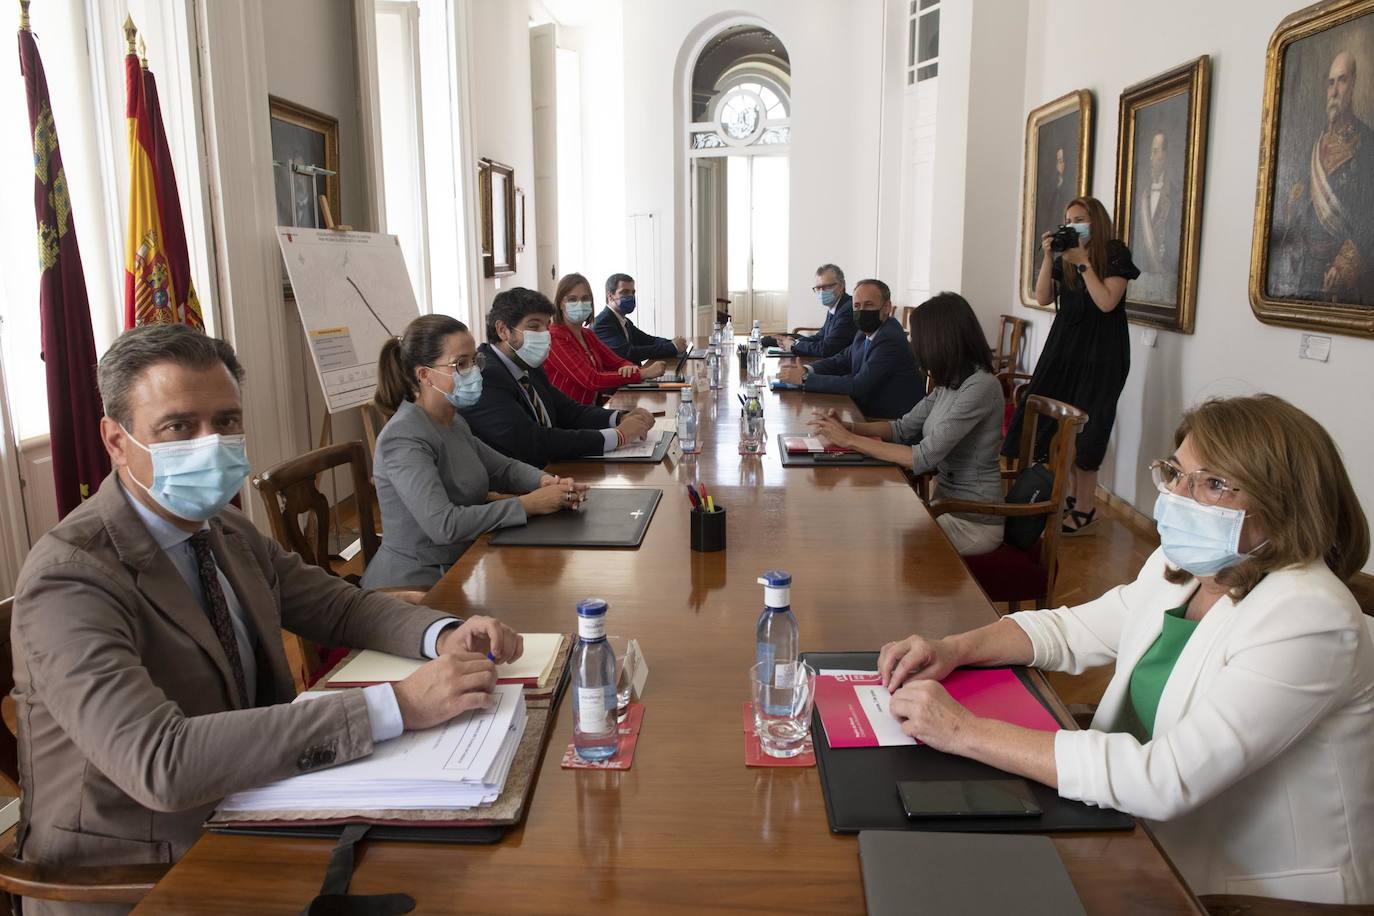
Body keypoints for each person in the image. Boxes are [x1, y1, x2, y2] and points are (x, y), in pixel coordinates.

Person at [10, 325, 523, 914]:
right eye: (179, 427)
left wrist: (443, 632)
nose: (211, 443)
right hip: (143, 871)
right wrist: (397, 705)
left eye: (226, 422)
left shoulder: (222, 530)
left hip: (258, 798)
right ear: (116, 441)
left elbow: (336, 603)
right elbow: (160, 761)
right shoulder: (70, 577)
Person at [879, 395, 1374, 904]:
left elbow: (1166, 778)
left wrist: (962, 730)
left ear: (1285, 503)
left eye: (1214, 483)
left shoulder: (1310, 618)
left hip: (1251, 892)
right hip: (1127, 821)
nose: (1180, 497)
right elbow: (1074, 631)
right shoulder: (1186, 567)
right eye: (1177, 474)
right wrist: (955, 648)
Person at [364, 314, 586, 590]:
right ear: (424, 375)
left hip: (462, 564)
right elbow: (444, 525)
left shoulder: (452, 420)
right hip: (414, 586)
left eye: (474, 361)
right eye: (461, 364)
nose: (475, 371)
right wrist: (529, 504)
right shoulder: (403, 437)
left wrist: (548, 483)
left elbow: (502, 469)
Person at [808, 292, 1004, 556]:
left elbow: (921, 457)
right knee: (866, 525)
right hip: (943, 504)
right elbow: (901, 428)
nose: (914, 345)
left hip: (972, 520)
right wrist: (848, 427)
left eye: (917, 338)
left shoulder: (980, 386)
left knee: (877, 540)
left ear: (940, 340)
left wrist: (850, 441)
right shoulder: (951, 381)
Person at [1002, 195, 1140, 535]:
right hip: (1065, 349)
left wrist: (1083, 263)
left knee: (1090, 427)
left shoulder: (1115, 253)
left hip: (1102, 353)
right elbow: (1043, 297)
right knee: (1055, 423)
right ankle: (1062, 497)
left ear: (1096, 220)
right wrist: (1050, 256)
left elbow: (1107, 302)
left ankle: (1086, 507)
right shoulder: (1067, 256)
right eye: (1068, 218)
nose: (1073, 223)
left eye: (1080, 217)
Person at [462, 286, 657, 467]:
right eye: (534, 326)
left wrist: (619, 418)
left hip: (555, 472)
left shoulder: (528, 364)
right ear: (502, 330)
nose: (545, 334)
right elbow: (534, 441)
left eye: (547, 326)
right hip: (523, 486)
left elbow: (569, 412)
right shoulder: (486, 376)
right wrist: (618, 436)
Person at [1274, 50, 1374, 304]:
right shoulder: (1312, 145)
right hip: (1304, 273)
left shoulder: (1368, 143)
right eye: (1331, 83)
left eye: (1342, 80)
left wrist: (1342, 268)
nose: (1335, 90)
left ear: (1353, 84)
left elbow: (1369, 220)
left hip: (1342, 280)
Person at [775, 278, 923, 419]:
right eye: (857, 306)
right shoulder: (864, 332)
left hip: (886, 422)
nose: (862, 311)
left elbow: (858, 385)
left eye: (869, 305)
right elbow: (840, 360)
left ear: (886, 307)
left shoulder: (889, 338)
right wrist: (807, 370)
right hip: (862, 409)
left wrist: (804, 379)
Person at [545, 272, 665, 405]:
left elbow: (617, 361)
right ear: (561, 303)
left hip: (591, 409)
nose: (580, 303)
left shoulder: (587, 334)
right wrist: (643, 373)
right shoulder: (554, 337)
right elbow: (592, 379)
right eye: (572, 299)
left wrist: (628, 367)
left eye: (585, 298)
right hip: (567, 419)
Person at [593, 272, 686, 363]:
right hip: (620, 376)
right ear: (610, 296)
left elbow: (649, 341)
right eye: (625, 292)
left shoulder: (625, 321)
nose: (630, 296)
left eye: (633, 292)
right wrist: (673, 347)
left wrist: (673, 342)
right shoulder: (602, 323)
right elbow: (627, 353)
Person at [1133, 131, 1181, 304]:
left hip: (1164, 277)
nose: (1151, 157)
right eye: (1151, 152)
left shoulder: (1174, 195)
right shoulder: (1142, 194)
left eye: (1156, 151)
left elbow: (1176, 237)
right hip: (1142, 274)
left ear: (1165, 156)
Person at [774, 264, 855, 357]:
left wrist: (794, 346)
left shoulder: (848, 309)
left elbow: (827, 349)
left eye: (826, 287)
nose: (822, 292)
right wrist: (795, 341)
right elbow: (820, 337)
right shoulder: (834, 307)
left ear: (841, 286)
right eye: (818, 288)